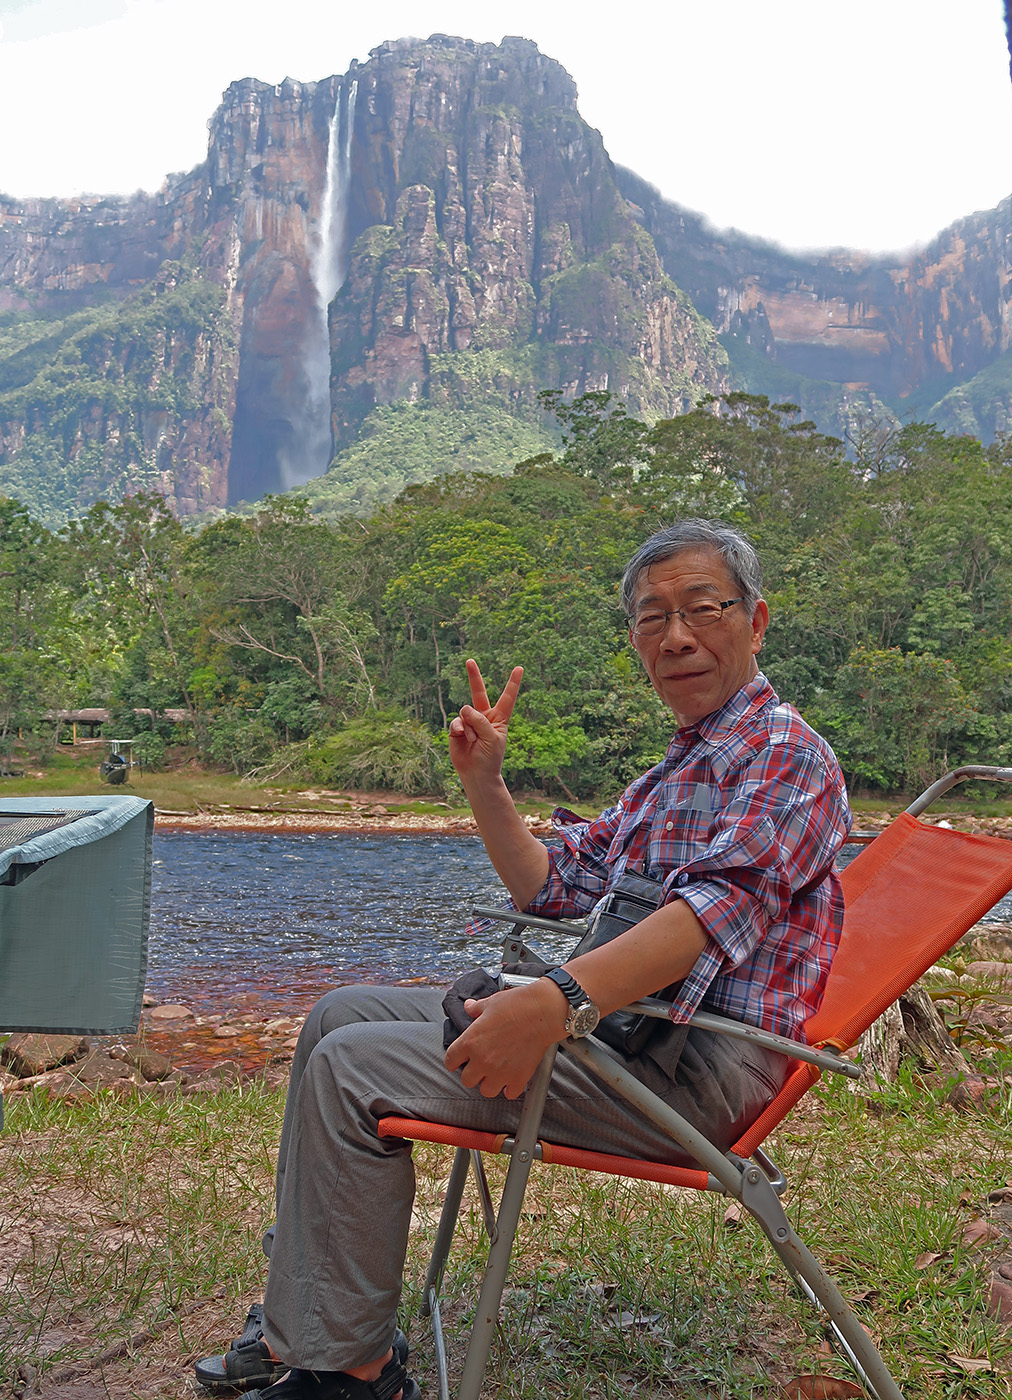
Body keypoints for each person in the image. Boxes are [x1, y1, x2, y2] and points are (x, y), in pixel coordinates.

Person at [193, 519, 851, 1400]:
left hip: (694, 1068)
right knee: (336, 1015)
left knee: (353, 1069)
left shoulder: (788, 756)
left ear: (756, 621)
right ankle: (299, 1322)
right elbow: (554, 885)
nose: (677, 637)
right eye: (653, 618)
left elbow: (707, 917)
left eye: (703, 609)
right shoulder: (680, 766)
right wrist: (485, 783)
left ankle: (350, 1371)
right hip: (631, 1034)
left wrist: (554, 1003)